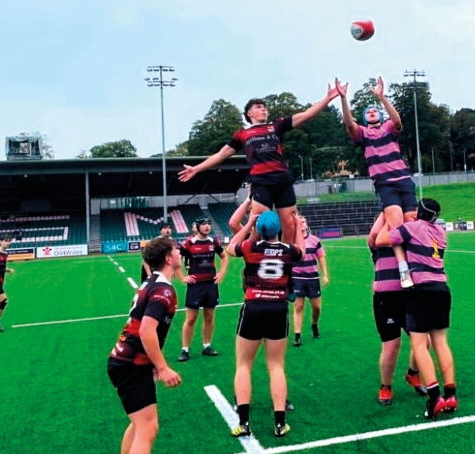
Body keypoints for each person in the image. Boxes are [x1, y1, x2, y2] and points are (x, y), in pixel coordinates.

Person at [178, 81, 343, 244]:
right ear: (249, 113)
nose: (264, 109)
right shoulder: (242, 134)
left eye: (265, 107)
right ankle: (256, 259)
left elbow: (307, 114)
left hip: (282, 180)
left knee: (290, 225)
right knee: (261, 225)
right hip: (261, 182)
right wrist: (196, 169)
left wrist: (327, 98)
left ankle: (285, 259)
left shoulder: (277, 125)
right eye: (259, 107)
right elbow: (221, 154)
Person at [107, 237, 182, 454]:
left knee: (139, 424)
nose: (179, 252)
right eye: (176, 249)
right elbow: (147, 331)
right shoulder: (163, 289)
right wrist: (162, 367)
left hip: (126, 361)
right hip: (131, 364)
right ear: (169, 258)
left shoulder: (151, 282)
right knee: (148, 429)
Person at [227, 211, 304, 438]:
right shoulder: (289, 251)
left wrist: (250, 222)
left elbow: (231, 246)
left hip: (253, 306)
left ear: (259, 229)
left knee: (243, 365)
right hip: (278, 308)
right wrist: (298, 226)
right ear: (278, 229)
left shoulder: (250, 248)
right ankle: (280, 424)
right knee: (276, 366)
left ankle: (244, 423)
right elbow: (302, 251)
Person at [338, 76, 417, 289]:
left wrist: (382, 97)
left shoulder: (389, 128)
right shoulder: (362, 134)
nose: (372, 112)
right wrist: (343, 99)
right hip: (385, 183)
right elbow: (348, 123)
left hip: (405, 181)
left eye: (375, 110)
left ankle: (415, 263)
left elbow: (398, 120)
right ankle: (403, 271)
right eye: (368, 112)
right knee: (396, 225)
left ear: (380, 114)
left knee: (411, 224)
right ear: (364, 118)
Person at [383, 199, 457, 419]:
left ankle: (434, 397)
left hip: (421, 290)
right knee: (441, 342)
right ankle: (450, 394)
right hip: (442, 288)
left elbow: (386, 239)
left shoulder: (412, 228)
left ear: (418, 212)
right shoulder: (441, 233)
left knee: (419, 344)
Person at [368, 213, 427, 406]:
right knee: (391, 347)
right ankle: (386, 386)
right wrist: (390, 210)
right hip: (386, 300)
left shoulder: (408, 238)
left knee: (424, 341)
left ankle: (413, 373)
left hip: (410, 296)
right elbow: (375, 235)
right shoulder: (378, 242)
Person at [177, 217, 228, 362]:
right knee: (191, 318)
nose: (207, 227)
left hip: (211, 285)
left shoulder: (214, 242)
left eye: (208, 224)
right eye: (204, 224)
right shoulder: (189, 243)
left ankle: (207, 346)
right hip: (195, 286)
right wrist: (182, 277)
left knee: (209, 317)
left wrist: (221, 273)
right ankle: (185, 349)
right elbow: (176, 260)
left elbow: (224, 257)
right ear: (197, 227)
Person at [291, 216, 329, 346]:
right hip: (297, 278)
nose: (301, 224)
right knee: (299, 306)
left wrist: (325, 275)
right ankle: (297, 336)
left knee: (316, 307)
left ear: (307, 225)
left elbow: (321, 257)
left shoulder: (315, 240)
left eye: (303, 222)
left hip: (313, 278)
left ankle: (314, 325)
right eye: (298, 222)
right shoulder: (292, 241)